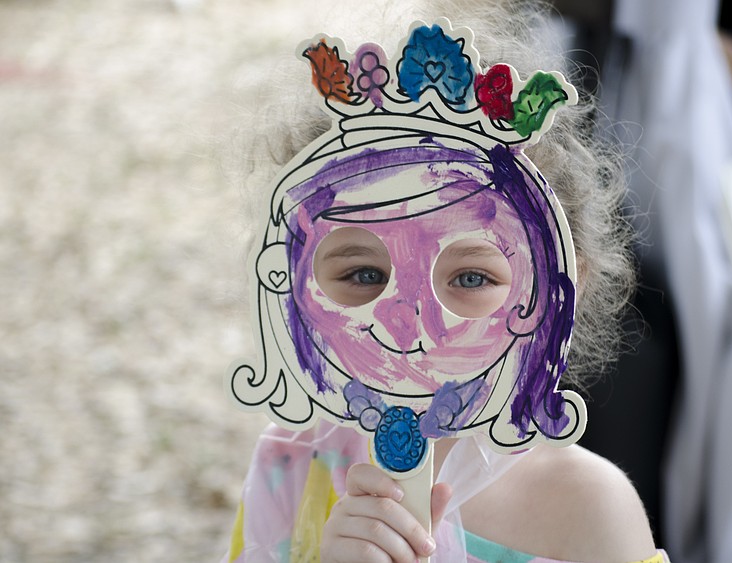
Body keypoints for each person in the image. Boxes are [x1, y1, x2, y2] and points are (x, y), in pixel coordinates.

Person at [222, 1, 667, 561]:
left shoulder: (590, 513)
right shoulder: (288, 471)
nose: (410, 324)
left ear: (554, 295)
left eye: (471, 276)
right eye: (363, 274)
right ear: (291, 281)